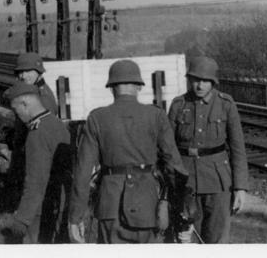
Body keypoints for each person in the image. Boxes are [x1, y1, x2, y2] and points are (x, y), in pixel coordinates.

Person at [68, 59, 188, 244]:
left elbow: (83, 172)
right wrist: (181, 212)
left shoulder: (97, 118)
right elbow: (174, 166)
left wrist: (75, 218)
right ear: (139, 87)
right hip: (148, 204)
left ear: (111, 88)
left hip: (110, 206)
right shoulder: (156, 116)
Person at [168, 56, 249, 243]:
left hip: (218, 182)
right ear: (189, 80)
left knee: (217, 239)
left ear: (213, 82)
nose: (200, 85)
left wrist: (240, 187)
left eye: (205, 81)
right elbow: (168, 148)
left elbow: (238, 149)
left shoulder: (226, 104)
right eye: (196, 80)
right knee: (186, 239)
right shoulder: (179, 105)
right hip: (185, 182)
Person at [3, 81, 71, 244]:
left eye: (15, 109)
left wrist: (23, 218)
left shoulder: (36, 134)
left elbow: (35, 181)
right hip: (61, 202)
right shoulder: (56, 124)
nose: (16, 114)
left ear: (25, 104)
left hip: (41, 209)